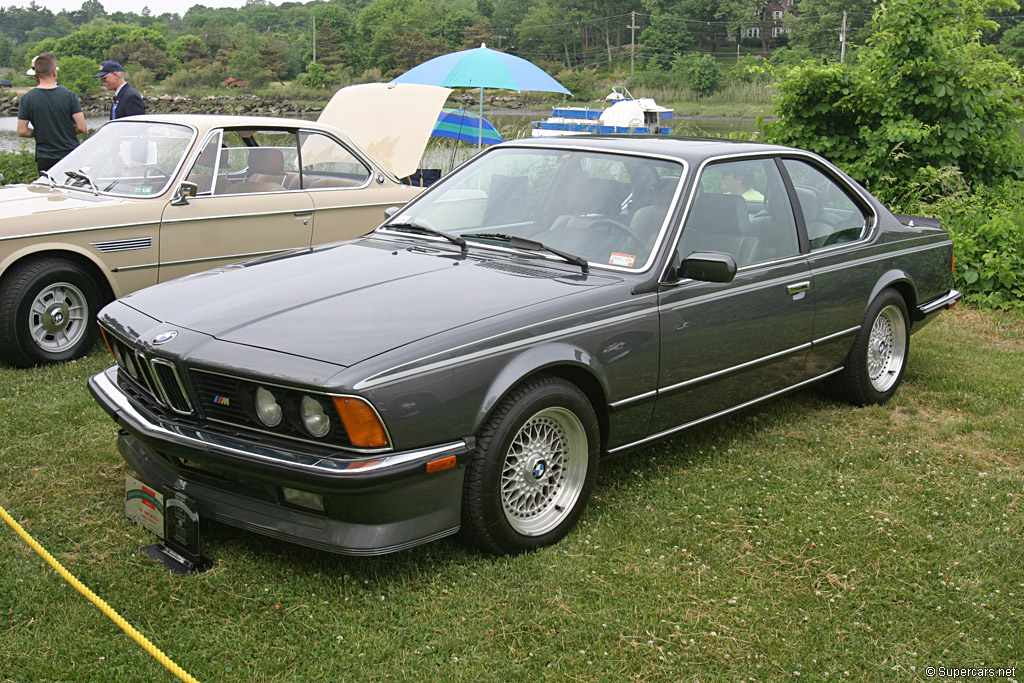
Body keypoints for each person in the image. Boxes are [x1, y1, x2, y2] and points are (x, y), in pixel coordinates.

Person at [17, 53, 88, 173]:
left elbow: (22, 131)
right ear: (54, 72)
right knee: (70, 190)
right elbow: (82, 128)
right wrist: (66, 130)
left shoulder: (27, 98)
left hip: (45, 156)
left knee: (48, 190)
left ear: (36, 75)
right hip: (70, 154)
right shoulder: (69, 95)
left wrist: (41, 132)